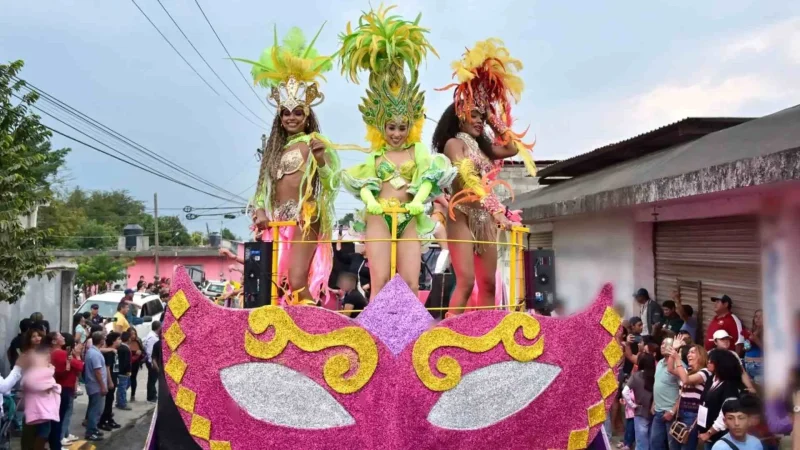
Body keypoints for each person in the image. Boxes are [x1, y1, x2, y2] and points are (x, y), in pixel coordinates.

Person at [338, 5, 453, 299]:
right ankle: (376, 329)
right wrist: (370, 202)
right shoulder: (376, 157)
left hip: (409, 218)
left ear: (410, 126)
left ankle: (410, 328)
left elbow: (428, 178)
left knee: (411, 283)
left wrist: (416, 201)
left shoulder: (417, 151)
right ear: (382, 127)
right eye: (391, 127)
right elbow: (365, 186)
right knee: (380, 283)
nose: (397, 133)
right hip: (379, 218)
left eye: (402, 127)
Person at [432, 37, 537, 317]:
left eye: (482, 116)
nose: (479, 120)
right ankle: (449, 333)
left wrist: (492, 117)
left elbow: (512, 147)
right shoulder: (454, 143)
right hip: (461, 215)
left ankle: (486, 334)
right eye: (474, 115)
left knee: (489, 284)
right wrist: (498, 211)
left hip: (485, 219)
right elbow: (469, 179)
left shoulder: (483, 147)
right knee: (466, 282)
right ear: (460, 115)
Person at [236, 24, 340, 306]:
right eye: (286, 113)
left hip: (306, 217)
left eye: (297, 112)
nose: (291, 117)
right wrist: (259, 210)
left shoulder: (315, 142)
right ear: (280, 118)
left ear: (307, 116)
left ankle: (315, 326)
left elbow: (332, 183)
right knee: (277, 284)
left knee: (296, 279)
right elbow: (262, 189)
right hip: (277, 221)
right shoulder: (274, 150)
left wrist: (321, 161)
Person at [697, 350, 744, 448]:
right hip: (706, 432)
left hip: (719, 435)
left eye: (711, 361)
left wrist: (709, 433)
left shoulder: (729, 385)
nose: (708, 362)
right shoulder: (711, 379)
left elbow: (726, 413)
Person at [668, 344, 711, 450]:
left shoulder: (705, 372)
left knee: (686, 447)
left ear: (701, 356)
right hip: (680, 413)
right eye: (688, 353)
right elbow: (670, 368)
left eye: (692, 352)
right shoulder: (686, 371)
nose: (688, 355)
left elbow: (686, 380)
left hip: (692, 415)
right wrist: (674, 350)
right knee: (674, 446)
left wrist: (678, 359)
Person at [21, 344, 61, 450]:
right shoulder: (33, 373)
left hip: (46, 410)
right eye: (45, 356)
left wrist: (51, 386)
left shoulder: (48, 370)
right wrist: (49, 386)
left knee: (43, 434)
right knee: (37, 436)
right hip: (37, 410)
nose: (48, 359)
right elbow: (30, 383)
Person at [52, 333, 84, 446]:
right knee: (63, 413)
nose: (63, 338)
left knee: (65, 412)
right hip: (64, 387)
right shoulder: (61, 354)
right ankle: (60, 437)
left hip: (65, 386)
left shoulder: (59, 353)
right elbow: (80, 366)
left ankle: (64, 434)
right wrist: (78, 356)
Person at [651, 337, 682, 450]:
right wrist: (653, 403)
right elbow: (658, 384)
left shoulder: (678, 365)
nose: (662, 346)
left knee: (672, 446)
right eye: (662, 343)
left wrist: (672, 411)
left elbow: (683, 391)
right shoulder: (659, 363)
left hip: (670, 413)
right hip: (658, 411)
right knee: (655, 444)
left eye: (666, 344)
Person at [625, 353, 656, 450]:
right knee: (652, 442)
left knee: (641, 443)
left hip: (640, 411)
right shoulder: (656, 376)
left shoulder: (636, 376)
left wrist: (632, 404)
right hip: (654, 412)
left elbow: (624, 392)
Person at [83, 331, 107, 441]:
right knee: (96, 410)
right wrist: (103, 386)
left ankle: (94, 428)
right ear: (101, 341)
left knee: (95, 408)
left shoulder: (92, 351)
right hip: (96, 386)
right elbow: (97, 372)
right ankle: (91, 432)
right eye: (104, 338)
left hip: (93, 385)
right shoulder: (95, 354)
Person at [99, 332, 121, 432]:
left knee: (110, 400)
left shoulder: (115, 352)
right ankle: (102, 421)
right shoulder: (109, 353)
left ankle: (109, 419)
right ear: (113, 341)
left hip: (114, 377)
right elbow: (107, 368)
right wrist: (110, 381)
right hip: (110, 380)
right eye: (118, 339)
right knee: (107, 401)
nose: (120, 341)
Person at [741, 310, 764, 387]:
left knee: (758, 389)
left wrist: (756, 340)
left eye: (761, 316)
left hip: (758, 366)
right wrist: (747, 344)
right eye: (756, 316)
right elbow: (746, 349)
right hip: (748, 365)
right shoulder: (752, 331)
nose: (758, 318)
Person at [144, 321, 162, 403]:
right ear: (158, 328)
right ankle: (151, 397)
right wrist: (152, 363)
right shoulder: (152, 338)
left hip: (152, 361)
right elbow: (150, 351)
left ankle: (153, 394)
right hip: (152, 362)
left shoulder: (153, 336)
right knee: (152, 380)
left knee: (153, 379)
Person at [116, 331, 132, 411]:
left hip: (121, 371)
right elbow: (126, 362)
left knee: (123, 386)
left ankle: (120, 401)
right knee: (122, 387)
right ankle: (122, 403)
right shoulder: (125, 349)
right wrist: (127, 371)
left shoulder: (122, 347)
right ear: (128, 339)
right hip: (123, 372)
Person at [128, 328, 145, 402]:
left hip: (136, 363)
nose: (133, 336)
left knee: (133, 378)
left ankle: (133, 395)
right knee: (127, 379)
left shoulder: (138, 341)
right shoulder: (126, 342)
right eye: (131, 334)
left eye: (134, 334)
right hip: (128, 364)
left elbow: (143, 350)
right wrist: (135, 353)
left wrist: (141, 353)